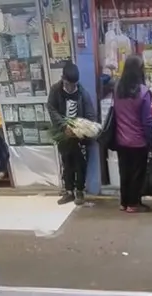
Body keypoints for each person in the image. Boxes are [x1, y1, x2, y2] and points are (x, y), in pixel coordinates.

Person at [47, 62, 96, 206]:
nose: (71, 87)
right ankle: (68, 191)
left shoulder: (82, 93)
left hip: (79, 136)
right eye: (68, 84)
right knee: (67, 162)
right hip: (63, 134)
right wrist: (63, 126)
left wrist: (82, 129)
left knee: (80, 164)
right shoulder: (55, 90)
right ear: (63, 78)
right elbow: (51, 108)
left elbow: (90, 115)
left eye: (74, 84)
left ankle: (80, 191)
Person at [110, 55, 152, 213]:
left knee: (125, 172)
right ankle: (133, 204)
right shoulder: (143, 92)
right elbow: (147, 121)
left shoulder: (117, 88)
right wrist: (150, 141)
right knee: (137, 174)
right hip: (138, 141)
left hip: (121, 139)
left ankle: (124, 202)